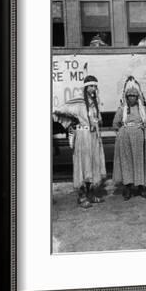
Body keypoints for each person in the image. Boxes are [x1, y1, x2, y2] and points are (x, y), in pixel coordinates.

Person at [52, 75, 106, 209]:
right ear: (86, 86)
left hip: (94, 137)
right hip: (83, 137)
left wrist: (97, 121)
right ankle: (82, 196)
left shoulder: (95, 102)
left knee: (93, 164)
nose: (93, 88)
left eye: (95, 86)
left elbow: (98, 119)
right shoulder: (79, 101)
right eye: (91, 86)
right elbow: (59, 109)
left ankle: (91, 194)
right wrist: (72, 122)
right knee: (83, 164)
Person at [112, 76, 146, 200]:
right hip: (125, 140)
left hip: (139, 140)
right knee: (127, 163)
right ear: (126, 97)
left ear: (137, 97)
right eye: (129, 96)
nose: (132, 98)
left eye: (134, 96)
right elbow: (115, 124)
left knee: (140, 162)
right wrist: (123, 132)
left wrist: (143, 128)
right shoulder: (122, 110)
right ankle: (128, 188)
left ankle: (140, 187)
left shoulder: (142, 109)